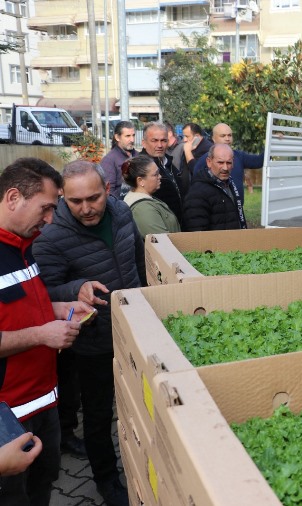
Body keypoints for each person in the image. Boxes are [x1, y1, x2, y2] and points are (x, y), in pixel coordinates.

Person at [33, 160, 146, 506]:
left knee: (142, 404)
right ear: (62, 197)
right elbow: (42, 294)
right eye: (75, 201)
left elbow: (138, 258)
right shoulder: (51, 238)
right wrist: (76, 288)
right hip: (94, 343)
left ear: (107, 191)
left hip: (137, 329)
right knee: (98, 417)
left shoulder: (122, 213)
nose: (86, 208)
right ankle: (107, 481)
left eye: (93, 198)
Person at [0, 157, 90, 506]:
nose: (50, 219)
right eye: (46, 208)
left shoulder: (22, 246)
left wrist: (59, 310)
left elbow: (19, 308)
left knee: (41, 488)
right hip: (8, 418)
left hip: (42, 404)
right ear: (13, 198)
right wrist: (42, 335)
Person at [194, 123, 264, 203]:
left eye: (229, 135)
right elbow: (196, 185)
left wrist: (272, 141)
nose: (227, 139)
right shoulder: (205, 160)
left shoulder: (239, 156)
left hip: (237, 208)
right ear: (214, 138)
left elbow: (259, 161)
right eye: (223, 136)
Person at [183, 143, 247, 231]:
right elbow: (197, 233)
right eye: (220, 162)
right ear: (209, 162)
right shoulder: (197, 193)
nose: (225, 168)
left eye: (229, 163)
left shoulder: (230, 184)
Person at [122, 155, 182, 239]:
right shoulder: (143, 209)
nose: (160, 176)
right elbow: (161, 242)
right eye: (155, 174)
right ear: (141, 181)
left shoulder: (146, 201)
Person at [140, 122, 185, 227]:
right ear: (144, 143)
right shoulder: (139, 167)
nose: (160, 145)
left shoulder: (168, 164)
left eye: (163, 141)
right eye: (154, 141)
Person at [99, 120, 137, 199]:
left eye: (133, 135)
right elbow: (109, 193)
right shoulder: (109, 161)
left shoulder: (138, 156)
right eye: (128, 136)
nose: (132, 140)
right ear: (117, 137)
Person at [180, 122, 212, 194]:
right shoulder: (191, 147)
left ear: (197, 136)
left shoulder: (207, 149)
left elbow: (196, 170)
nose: (184, 140)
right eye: (183, 136)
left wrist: (188, 152)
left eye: (187, 136)